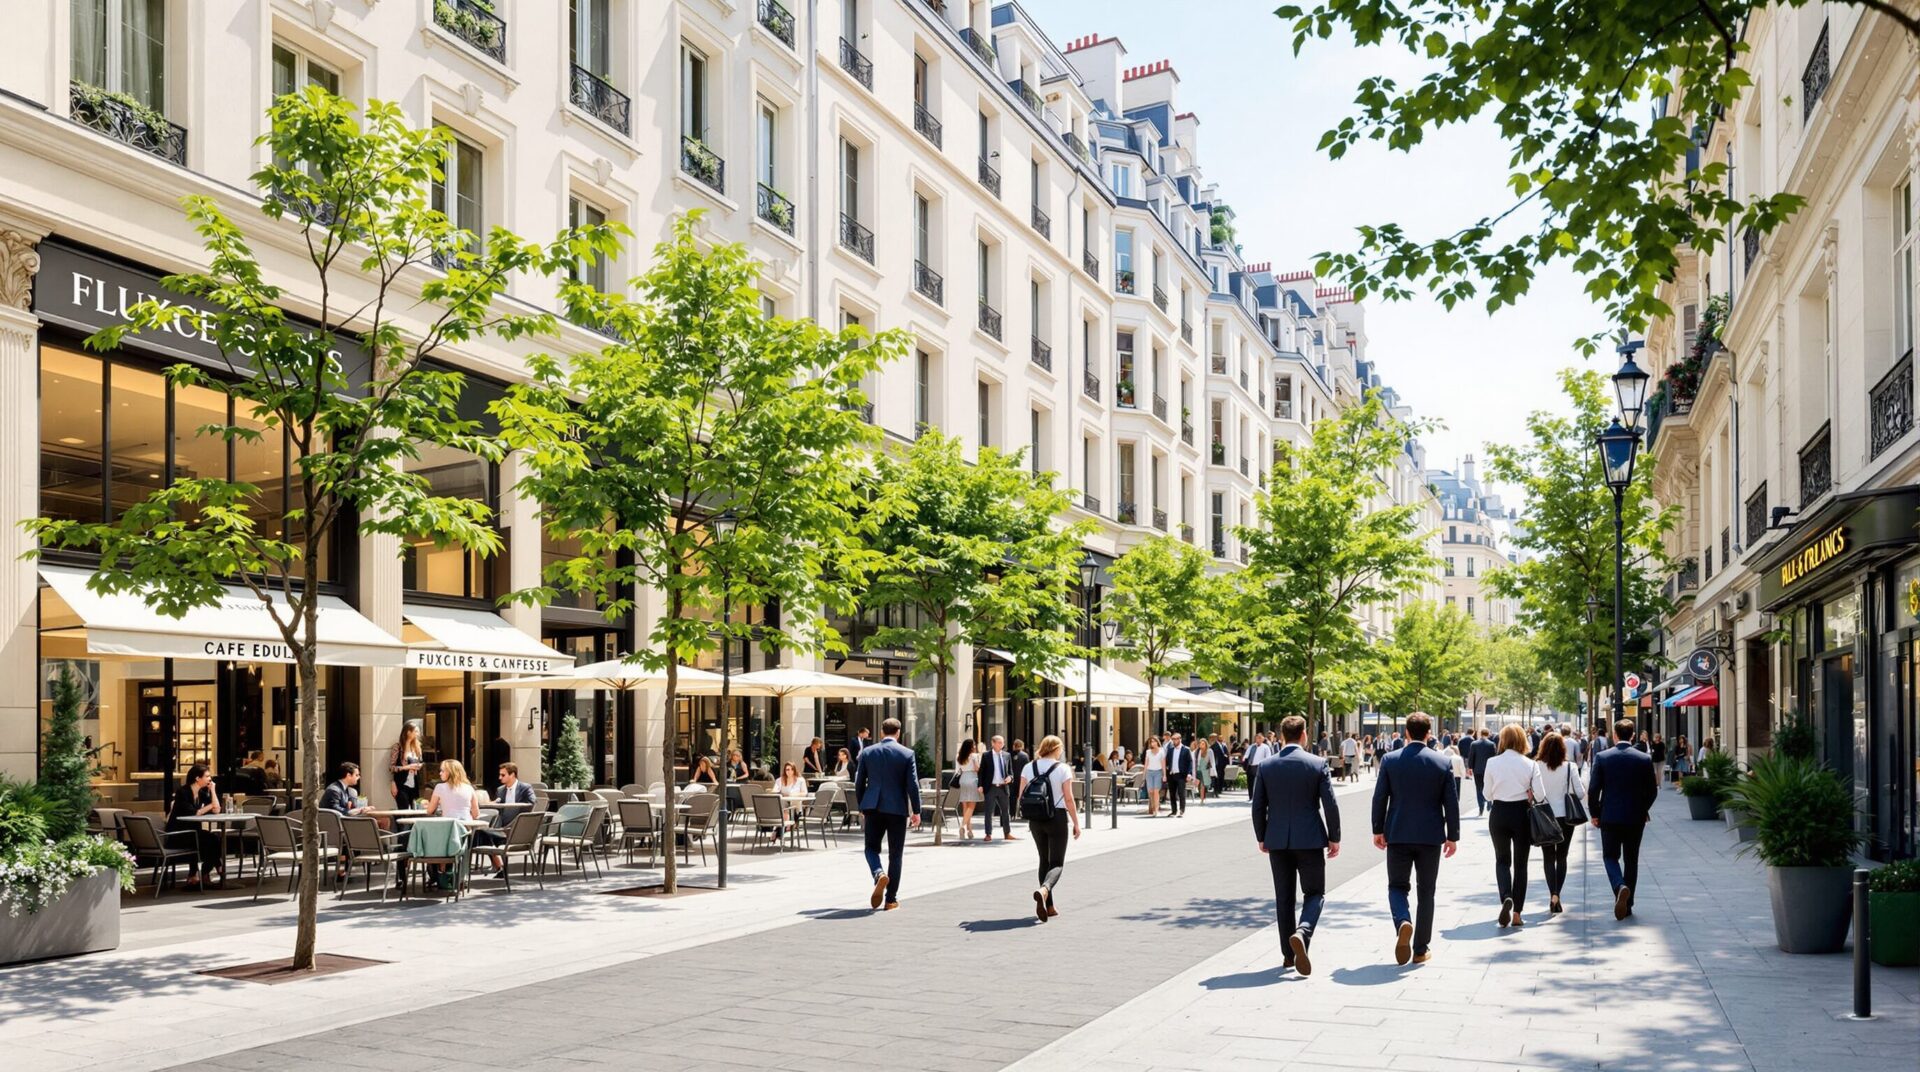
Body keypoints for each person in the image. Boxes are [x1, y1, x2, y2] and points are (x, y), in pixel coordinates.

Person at [1251, 715, 1341, 975]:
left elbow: (1258, 806)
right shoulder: (1317, 764)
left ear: (1281, 737)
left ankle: (1289, 957)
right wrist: (1334, 836)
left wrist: (1262, 836)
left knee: (1284, 898)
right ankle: (1303, 931)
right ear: (1304, 735)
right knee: (1315, 893)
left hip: (1278, 840)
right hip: (1310, 839)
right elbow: (1330, 804)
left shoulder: (1267, 766)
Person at [1371, 712, 1460, 965]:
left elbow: (1380, 797)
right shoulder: (1442, 763)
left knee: (1397, 886)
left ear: (1407, 733)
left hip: (1397, 833)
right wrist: (1452, 836)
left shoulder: (1390, 760)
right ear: (1429, 733)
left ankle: (1403, 921)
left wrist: (1378, 829)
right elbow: (1450, 803)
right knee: (1427, 892)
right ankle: (1420, 949)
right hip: (1430, 836)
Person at [1589, 717, 1659, 919]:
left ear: (1615, 734)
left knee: (1610, 856)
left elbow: (1594, 790)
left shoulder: (1602, 757)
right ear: (1634, 735)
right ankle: (1628, 904)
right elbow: (1652, 791)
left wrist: (1595, 814)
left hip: (1609, 816)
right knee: (1631, 859)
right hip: (1635, 818)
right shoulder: (1644, 759)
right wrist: (1642, 809)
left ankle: (1619, 886)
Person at [1482, 724, 1548, 928]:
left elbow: (1487, 794)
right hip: (1522, 814)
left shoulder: (1492, 762)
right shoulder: (1530, 764)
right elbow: (1541, 795)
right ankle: (1518, 912)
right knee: (1521, 865)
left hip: (1499, 813)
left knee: (1502, 860)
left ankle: (1506, 897)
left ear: (1502, 739)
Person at [854, 717, 921, 910]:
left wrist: (862, 806)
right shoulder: (907, 754)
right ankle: (890, 900)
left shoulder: (867, 752)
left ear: (882, 732)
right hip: (897, 809)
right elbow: (913, 784)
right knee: (896, 854)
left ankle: (878, 873)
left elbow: (859, 783)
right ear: (898, 733)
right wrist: (916, 810)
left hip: (873, 807)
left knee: (870, 848)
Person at [1020, 734, 1081, 921]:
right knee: (1056, 863)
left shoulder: (1029, 766)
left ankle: (1050, 906)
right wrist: (1076, 822)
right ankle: (1044, 889)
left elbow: (1020, 795)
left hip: (1036, 819)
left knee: (1043, 861)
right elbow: (1069, 798)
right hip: (1057, 817)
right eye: (1060, 748)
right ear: (1056, 749)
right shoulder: (1063, 768)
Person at [1533, 732, 1584, 914]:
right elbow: (1580, 793)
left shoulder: (1536, 766)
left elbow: (1535, 793)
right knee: (1562, 856)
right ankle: (1557, 894)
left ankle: (1552, 893)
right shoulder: (1570, 767)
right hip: (1565, 817)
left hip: (1545, 815)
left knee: (1548, 857)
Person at [167, 764, 223, 889]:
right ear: (198, 778)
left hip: (192, 832)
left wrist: (213, 791)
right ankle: (210, 870)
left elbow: (217, 810)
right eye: (207, 776)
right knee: (209, 840)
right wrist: (210, 805)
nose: (210, 779)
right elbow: (194, 812)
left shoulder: (201, 793)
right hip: (178, 834)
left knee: (214, 838)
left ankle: (202, 873)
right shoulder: (183, 792)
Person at [979, 735, 1018, 842]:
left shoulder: (1007, 755)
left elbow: (1010, 771)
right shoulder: (986, 755)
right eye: (999, 742)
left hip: (1003, 787)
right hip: (990, 787)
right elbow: (981, 772)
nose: (1002, 744)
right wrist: (980, 785)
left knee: (1006, 811)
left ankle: (1007, 833)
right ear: (993, 743)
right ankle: (988, 834)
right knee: (988, 812)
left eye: (1002, 742)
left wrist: (1010, 777)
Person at [389, 723, 424, 809]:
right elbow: (391, 767)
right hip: (401, 784)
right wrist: (407, 767)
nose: (418, 734)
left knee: (415, 810)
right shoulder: (397, 747)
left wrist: (419, 766)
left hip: (415, 784)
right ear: (408, 732)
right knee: (403, 808)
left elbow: (420, 761)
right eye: (416, 731)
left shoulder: (417, 747)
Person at [954, 738, 982, 840]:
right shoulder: (974, 756)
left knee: (965, 806)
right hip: (972, 779)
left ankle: (969, 830)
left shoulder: (958, 756)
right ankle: (962, 826)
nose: (975, 746)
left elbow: (957, 770)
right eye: (974, 745)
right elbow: (977, 769)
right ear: (971, 746)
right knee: (971, 806)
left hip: (963, 779)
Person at [1468, 729, 1498, 815]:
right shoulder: (1492, 744)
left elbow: (1471, 756)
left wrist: (1470, 768)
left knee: (1479, 788)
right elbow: (1494, 757)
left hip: (1477, 770)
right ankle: (1489, 802)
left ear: (1481, 734)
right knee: (1489, 786)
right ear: (1488, 734)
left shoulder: (1474, 744)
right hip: (1488, 769)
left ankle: (1481, 808)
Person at [1165, 732, 1194, 817]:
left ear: (1180, 739)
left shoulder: (1186, 749)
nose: (1174, 740)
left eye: (1176, 739)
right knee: (1172, 794)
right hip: (1171, 774)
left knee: (1181, 793)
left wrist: (1189, 773)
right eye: (1173, 739)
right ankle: (1174, 811)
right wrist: (1167, 770)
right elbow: (1167, 761)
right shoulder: (1170, 750)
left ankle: (1182, 810)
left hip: (1181, 774)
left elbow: (1190, 762)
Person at [1142, 734, 1165, 816]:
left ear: (1157, 742)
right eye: (1151, 742)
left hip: (1158, 772)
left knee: (1156, 791)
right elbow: (1146, 764)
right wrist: (1144, 775)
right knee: (1150, 791)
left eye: (1154, 741)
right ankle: (1153, 806)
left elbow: (1163, 764)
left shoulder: (1162, 751)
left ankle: (1156, 810)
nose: (1152, 743)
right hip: (1149, 772)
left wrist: (1164, 775)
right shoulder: (1148, 752)